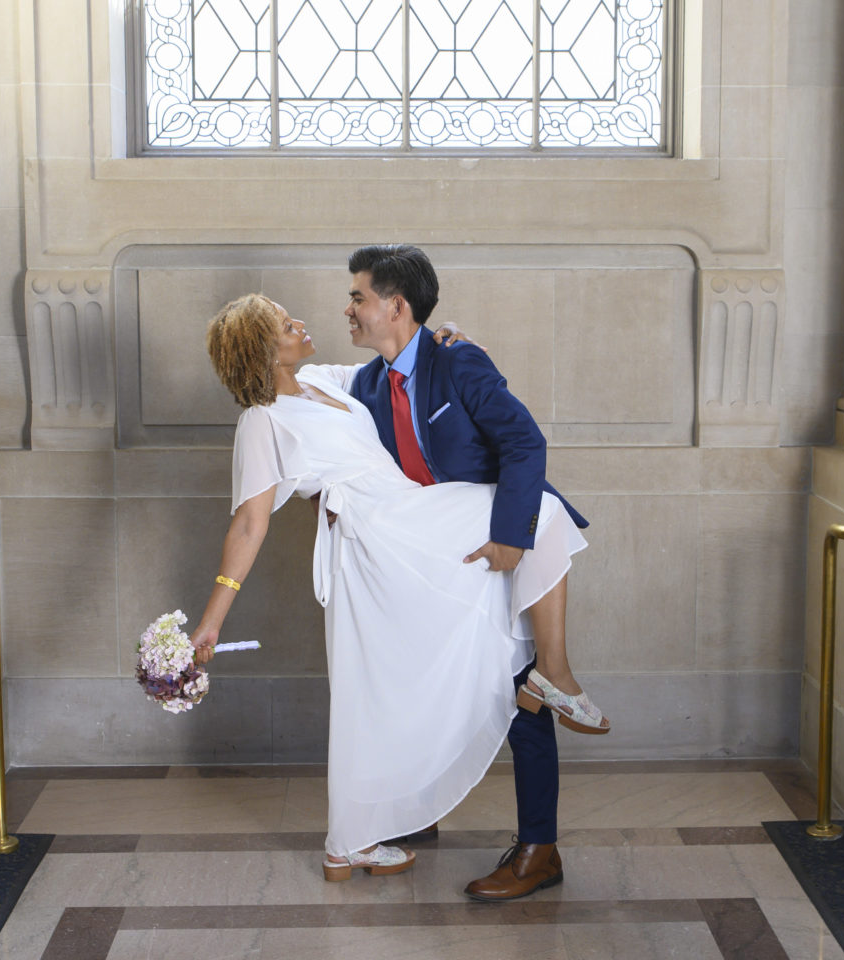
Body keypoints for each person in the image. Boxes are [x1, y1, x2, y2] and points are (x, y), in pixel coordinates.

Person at [187, 293, 589, 884]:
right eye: (283, 324)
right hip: (380, 540)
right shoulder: (261, 422)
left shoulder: (323, 380)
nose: (300, 323)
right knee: (540, 513)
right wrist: (212, 620)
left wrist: (450, 338)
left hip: (406, 519)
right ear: (260, 350)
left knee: (392, 688)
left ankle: (357, 840)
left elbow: (401, 364)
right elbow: (250, 522)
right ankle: (552, 672)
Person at [343, 244, 607, 901]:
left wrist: (509, 541)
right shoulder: (368, 386)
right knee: (417, 684)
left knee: (518, 693)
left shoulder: (458, 361)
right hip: (431, 563)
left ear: (396, 306)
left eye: (358, 296)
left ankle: (539, 850)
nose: (348, 308)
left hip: (495, 554)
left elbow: (524, 443)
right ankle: (416, 810)